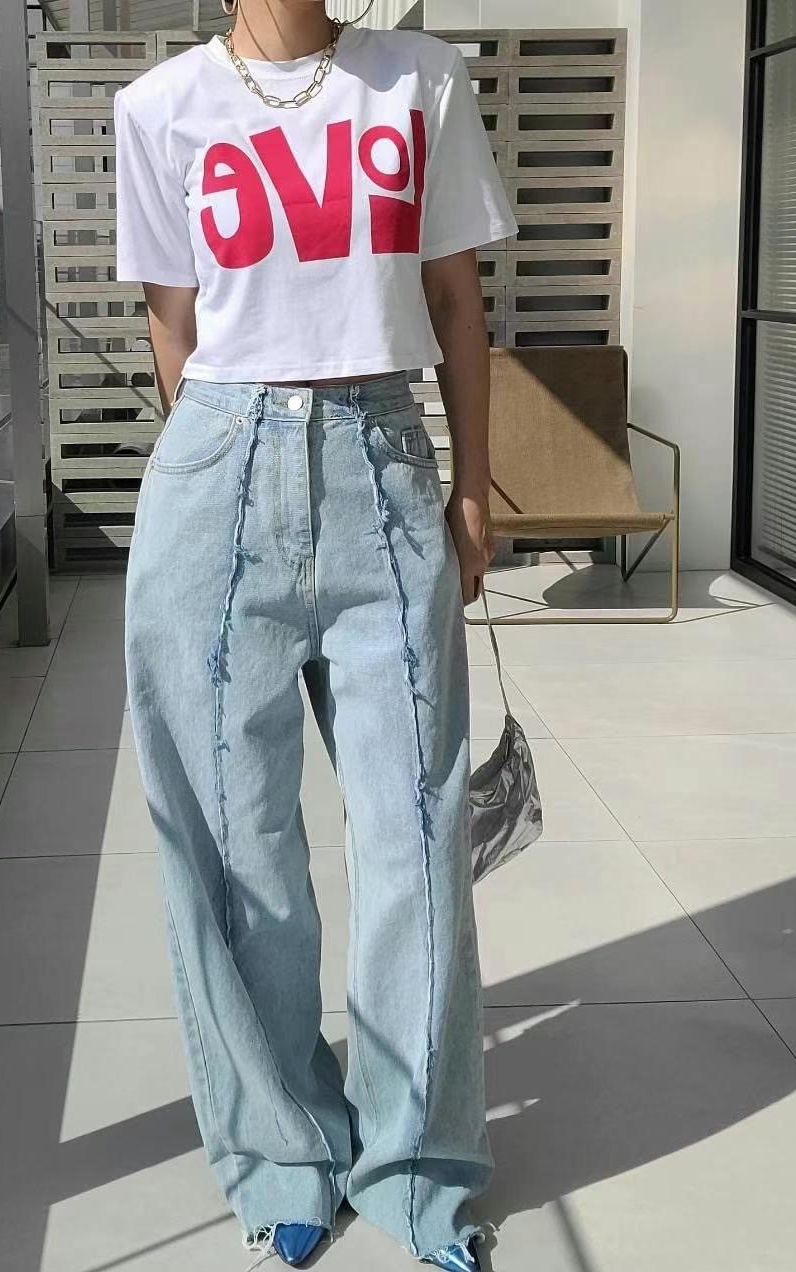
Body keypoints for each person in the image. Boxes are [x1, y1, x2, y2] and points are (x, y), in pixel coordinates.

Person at [115, 1, 517, 1266]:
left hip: (381, 460)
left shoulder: (419, 77)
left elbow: (455, 299)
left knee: (417, 836)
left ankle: (418, 1166)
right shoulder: (157, 107)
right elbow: (173, 322)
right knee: (239, 846)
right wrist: (224, 468)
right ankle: (283, 1147)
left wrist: (470, 486)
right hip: (216, 466)